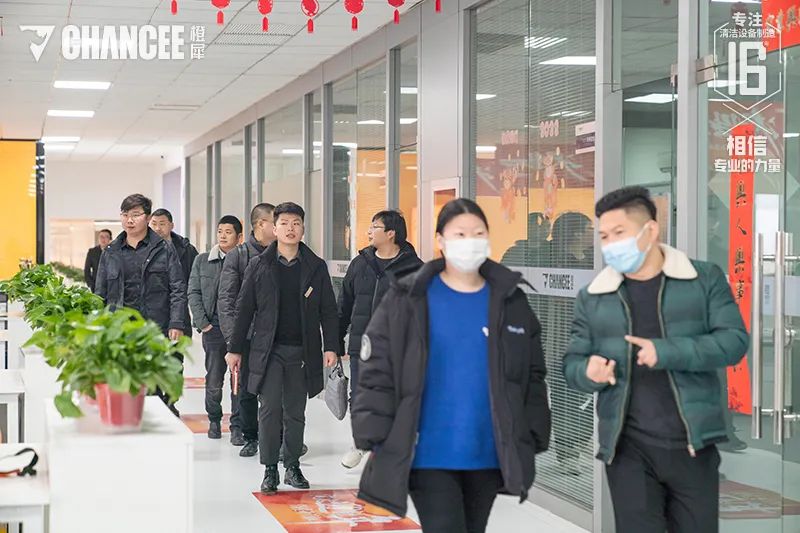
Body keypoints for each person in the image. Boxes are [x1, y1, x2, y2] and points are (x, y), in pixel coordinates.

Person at [352, 198, 551, 531]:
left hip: (487, 449)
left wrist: (532, 432)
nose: (470, 241)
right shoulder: (408, 297)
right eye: (460, 234)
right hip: (427, 451)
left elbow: (531, 374)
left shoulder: (510, 300)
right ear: (440, 241)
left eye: (478, 233)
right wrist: (372, 431)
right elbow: (378, 370)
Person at [563, 186, 749, 533]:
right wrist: (588, 372)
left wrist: (666, 352)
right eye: (604, 236)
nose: (610, 244)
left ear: (650, 230)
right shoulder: (594, 296)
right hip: (627, 448)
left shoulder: (702, 280)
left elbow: (734, 342)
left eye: (619, 233)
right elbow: (572, 362)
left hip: (692, 443)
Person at [225, 202, 339, 495]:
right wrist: (234, 349)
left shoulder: (315, 267)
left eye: (296, 223)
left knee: (296, 412)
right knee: (270, 409)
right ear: (274, 229)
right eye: (284, 223)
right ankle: (270, 469)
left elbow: (328, 310)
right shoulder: (259, 265)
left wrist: (332, 347)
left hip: (302, 351)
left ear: (303, 229)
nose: (290, 229)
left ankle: (292, 465)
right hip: (268, 351)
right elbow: (244, 309)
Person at [337, 210, 422, 469]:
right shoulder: (360, 263)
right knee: (359, 397)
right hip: (361, 345)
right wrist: (335, 342)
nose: (369, 231)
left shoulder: (414, 268)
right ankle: (361, 444)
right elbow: (344, 305)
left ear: (391, 233)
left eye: (375, 227)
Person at [94, 194, 187, 415]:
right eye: (125, 214)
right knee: (125, 382)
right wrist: (99, 325)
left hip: (155, 327)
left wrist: (176, 322)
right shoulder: (111, 252)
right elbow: (100, 293)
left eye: (135, 215)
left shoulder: (163, 249)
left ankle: (158, 420)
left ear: (147, 217)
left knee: (154, 382)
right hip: (121, 328)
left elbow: (177, 287)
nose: (129, 220)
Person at [218, 203, 276, 456]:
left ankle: (279, 438)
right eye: (276, 222)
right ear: (262, 224)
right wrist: (234, 343)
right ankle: (250, 436)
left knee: (277, 390)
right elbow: (226, 300)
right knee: (248, 390)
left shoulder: (282, 252)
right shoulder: (239, 256)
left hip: (275, 335)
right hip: (248, 336)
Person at [188, 215, 243, 440]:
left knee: (239, 379)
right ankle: (214, 420)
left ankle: (238, 426)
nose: (222, 235)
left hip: (238, 329)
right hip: (213, 329)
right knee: (214, 379)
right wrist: (203, 323)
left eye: (228, 232)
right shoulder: (202, 261)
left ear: (239, 237)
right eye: (220, 231)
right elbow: (193, 292)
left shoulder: (246, 260)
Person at [150, 208, 198, 337]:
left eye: (162, 224)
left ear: (171, 225)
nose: (157, 228)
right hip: (152, 313)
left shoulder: (187, 250)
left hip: (179, 309)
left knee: (177, 348)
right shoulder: (143, 250)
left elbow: (196, 281)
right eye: (154, 224)